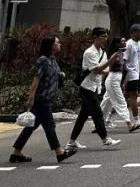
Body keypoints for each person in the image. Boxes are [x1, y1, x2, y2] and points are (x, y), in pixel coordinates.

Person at [11, 36, 76, 164]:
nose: (60, 44)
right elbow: (36, 79)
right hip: (41, 99)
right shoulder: (43, 60)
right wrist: (31, 98)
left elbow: (54, 73)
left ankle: (16, 152)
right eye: (57, 43)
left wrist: (61, 75)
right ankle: (59, 152)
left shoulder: (52, 60)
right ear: (51, 45)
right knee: (49, 125)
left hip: (47, 98)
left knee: (31, 126)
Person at [66, 28, 121, 151]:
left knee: (83, 116)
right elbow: (97, 70)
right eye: (103, 36)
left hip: (95, 87)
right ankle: (105, 139)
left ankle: (71, 142)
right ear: (95, 37)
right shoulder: (89, 52)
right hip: (87, 87)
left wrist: (104, 67)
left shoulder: (102, 52)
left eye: (106, 36)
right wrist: (109, 62)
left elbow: (105, 70)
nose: (105, 39)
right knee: (97, 113)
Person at [100, 37, 137, 132]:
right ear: (117, 44)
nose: (125, 42)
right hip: (113, 80)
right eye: (122, 41)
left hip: (116, 79)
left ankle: (99, 123)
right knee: (121, 101)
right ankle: (129, 123)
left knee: (106, 102)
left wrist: (123, 82)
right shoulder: (115, 55)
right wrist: (100, 71)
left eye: (125, 41)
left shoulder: (121, 54)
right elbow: (109, 68)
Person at [123, 23, 140, 130]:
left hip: (136, 74)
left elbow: (139, 59)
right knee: (133, 97)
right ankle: (137, 120)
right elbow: (124, 61)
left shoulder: (139, 44)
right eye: (139, 31)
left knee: (123, 97)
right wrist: (124, 78)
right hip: (130, 74)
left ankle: (108, 118)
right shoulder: (128, 44)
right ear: (133, 32)